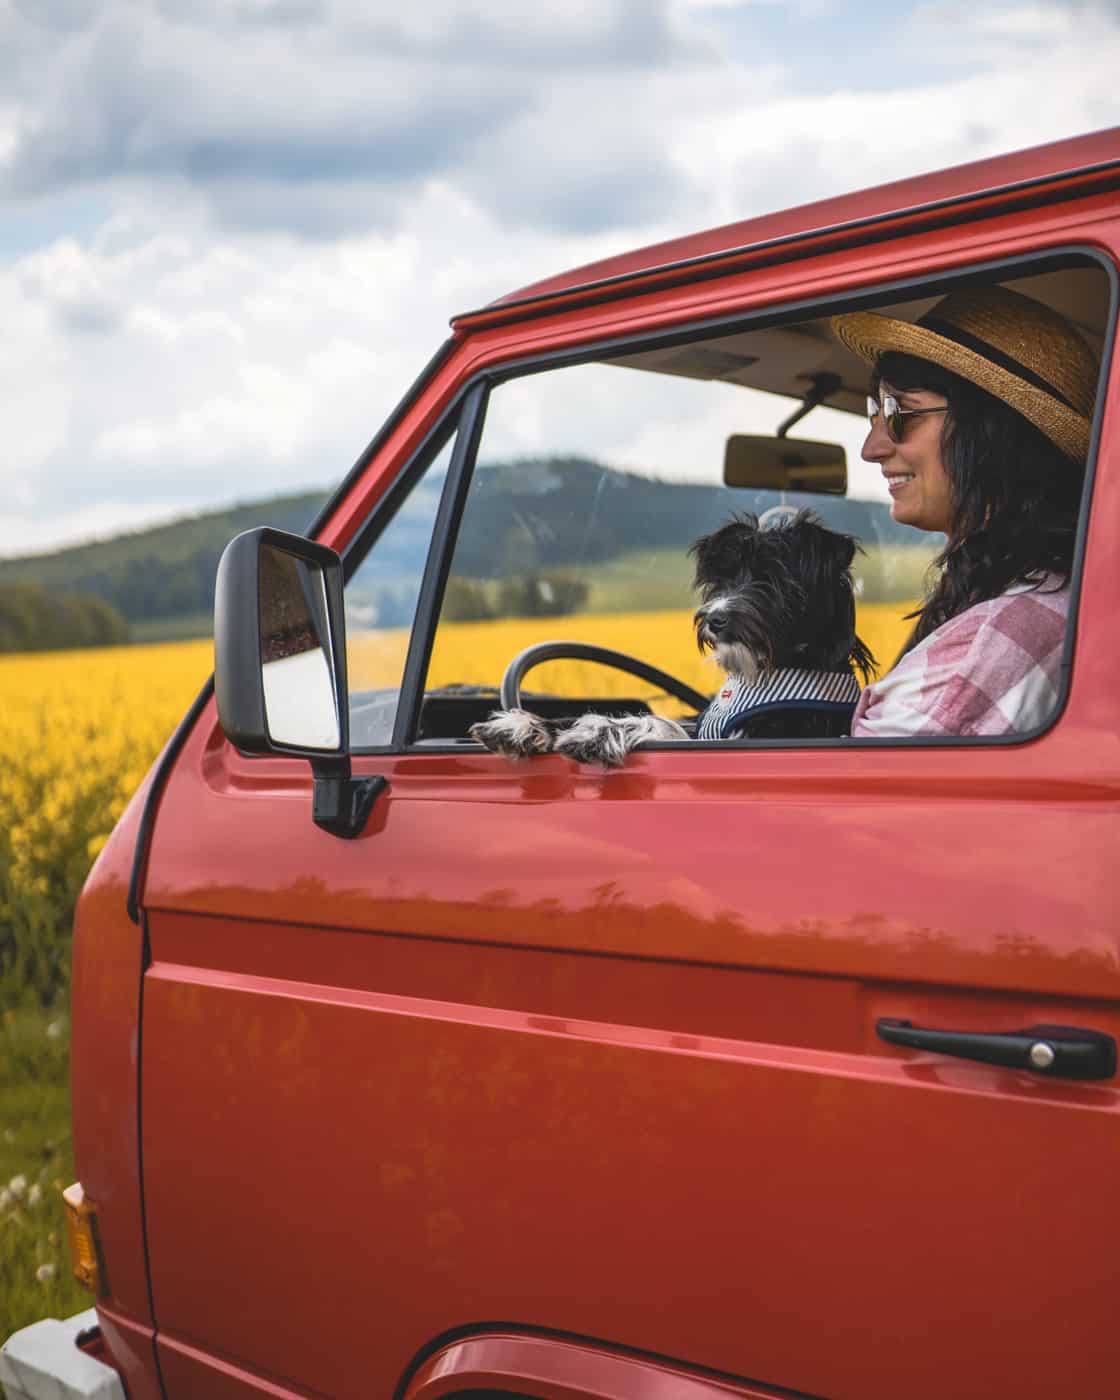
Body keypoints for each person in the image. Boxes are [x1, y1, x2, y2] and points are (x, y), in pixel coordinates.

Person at [831, 285, 1098, 737]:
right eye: (873, 411)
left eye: (900, 412)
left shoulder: (992, 638)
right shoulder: (1053, 596)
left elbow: (846, 793)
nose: (871, 448)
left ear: (993, 438)